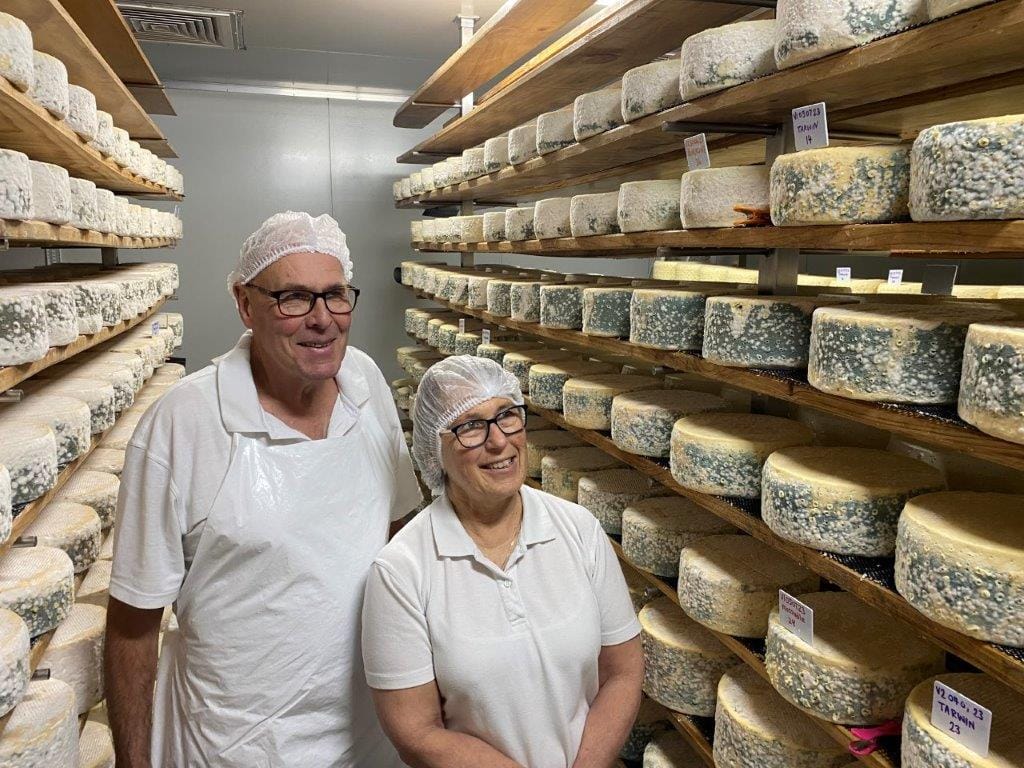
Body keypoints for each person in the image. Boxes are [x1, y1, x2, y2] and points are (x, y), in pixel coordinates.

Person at [105, 211, 422, 767]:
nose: (322, 319)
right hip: (233, 747)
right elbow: (133, 626)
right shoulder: (184, 424)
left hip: (374, 737)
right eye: (293, 298)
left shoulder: (366, 385)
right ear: (245, 304)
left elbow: (403, 536)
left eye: (336, 295)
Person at [362, 355, 644, 768]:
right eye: (470, 427)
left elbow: (623, 671)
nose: (498, 441)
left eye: (506, 416)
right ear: (434, 447)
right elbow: (416, 733)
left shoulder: (579, 530)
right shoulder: (401, 571)